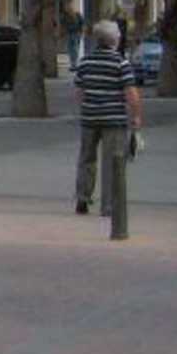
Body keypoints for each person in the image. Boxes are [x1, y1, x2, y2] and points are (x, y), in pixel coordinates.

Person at [72, 19, 142, 216]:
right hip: (114, 119)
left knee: (86, 158)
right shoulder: (120, 62)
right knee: (113, 161)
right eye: (118, 34)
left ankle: (82, 198)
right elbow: (131, 93)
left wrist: (85, 108)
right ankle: (109, 205)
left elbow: (78, 91)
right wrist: (136, 116)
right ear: (114, 40)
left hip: (89, 118)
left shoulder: (85, 61)